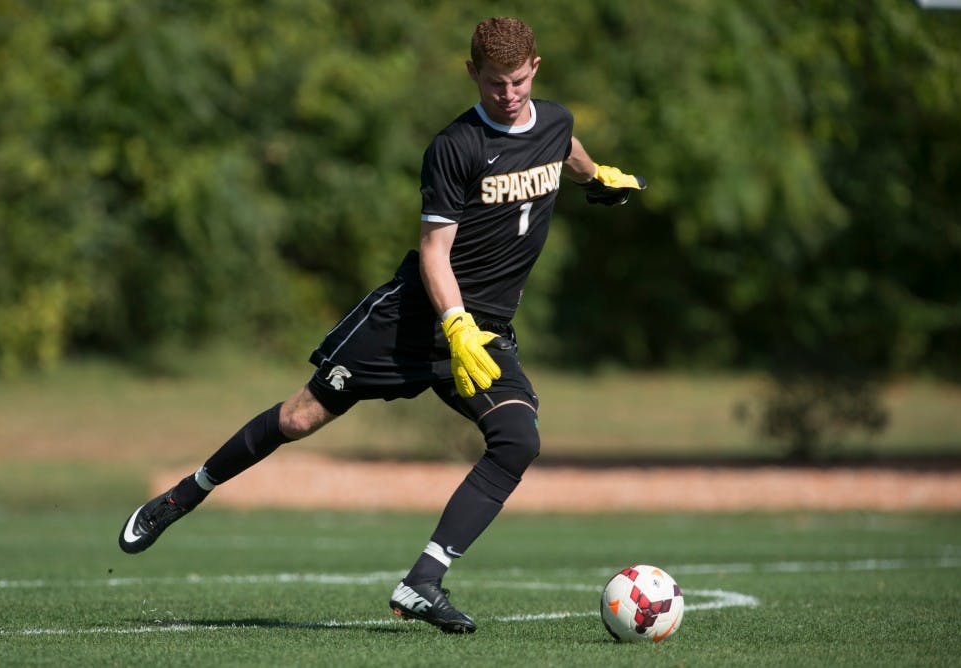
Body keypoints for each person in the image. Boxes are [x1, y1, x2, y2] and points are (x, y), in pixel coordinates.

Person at [117, 16, 645, 634]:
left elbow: (565, 148)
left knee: (518, 440)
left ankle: (422, 581)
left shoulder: (554, 121)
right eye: (495, 83)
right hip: (415, 319)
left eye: (519, 82)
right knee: (299, 418)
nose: (508, 94)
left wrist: (597, 175)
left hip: (485, 333)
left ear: (536, 69)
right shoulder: (455, 146)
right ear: (472, 73)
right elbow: (433, 253)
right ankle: (183, 495)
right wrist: (454, 325)